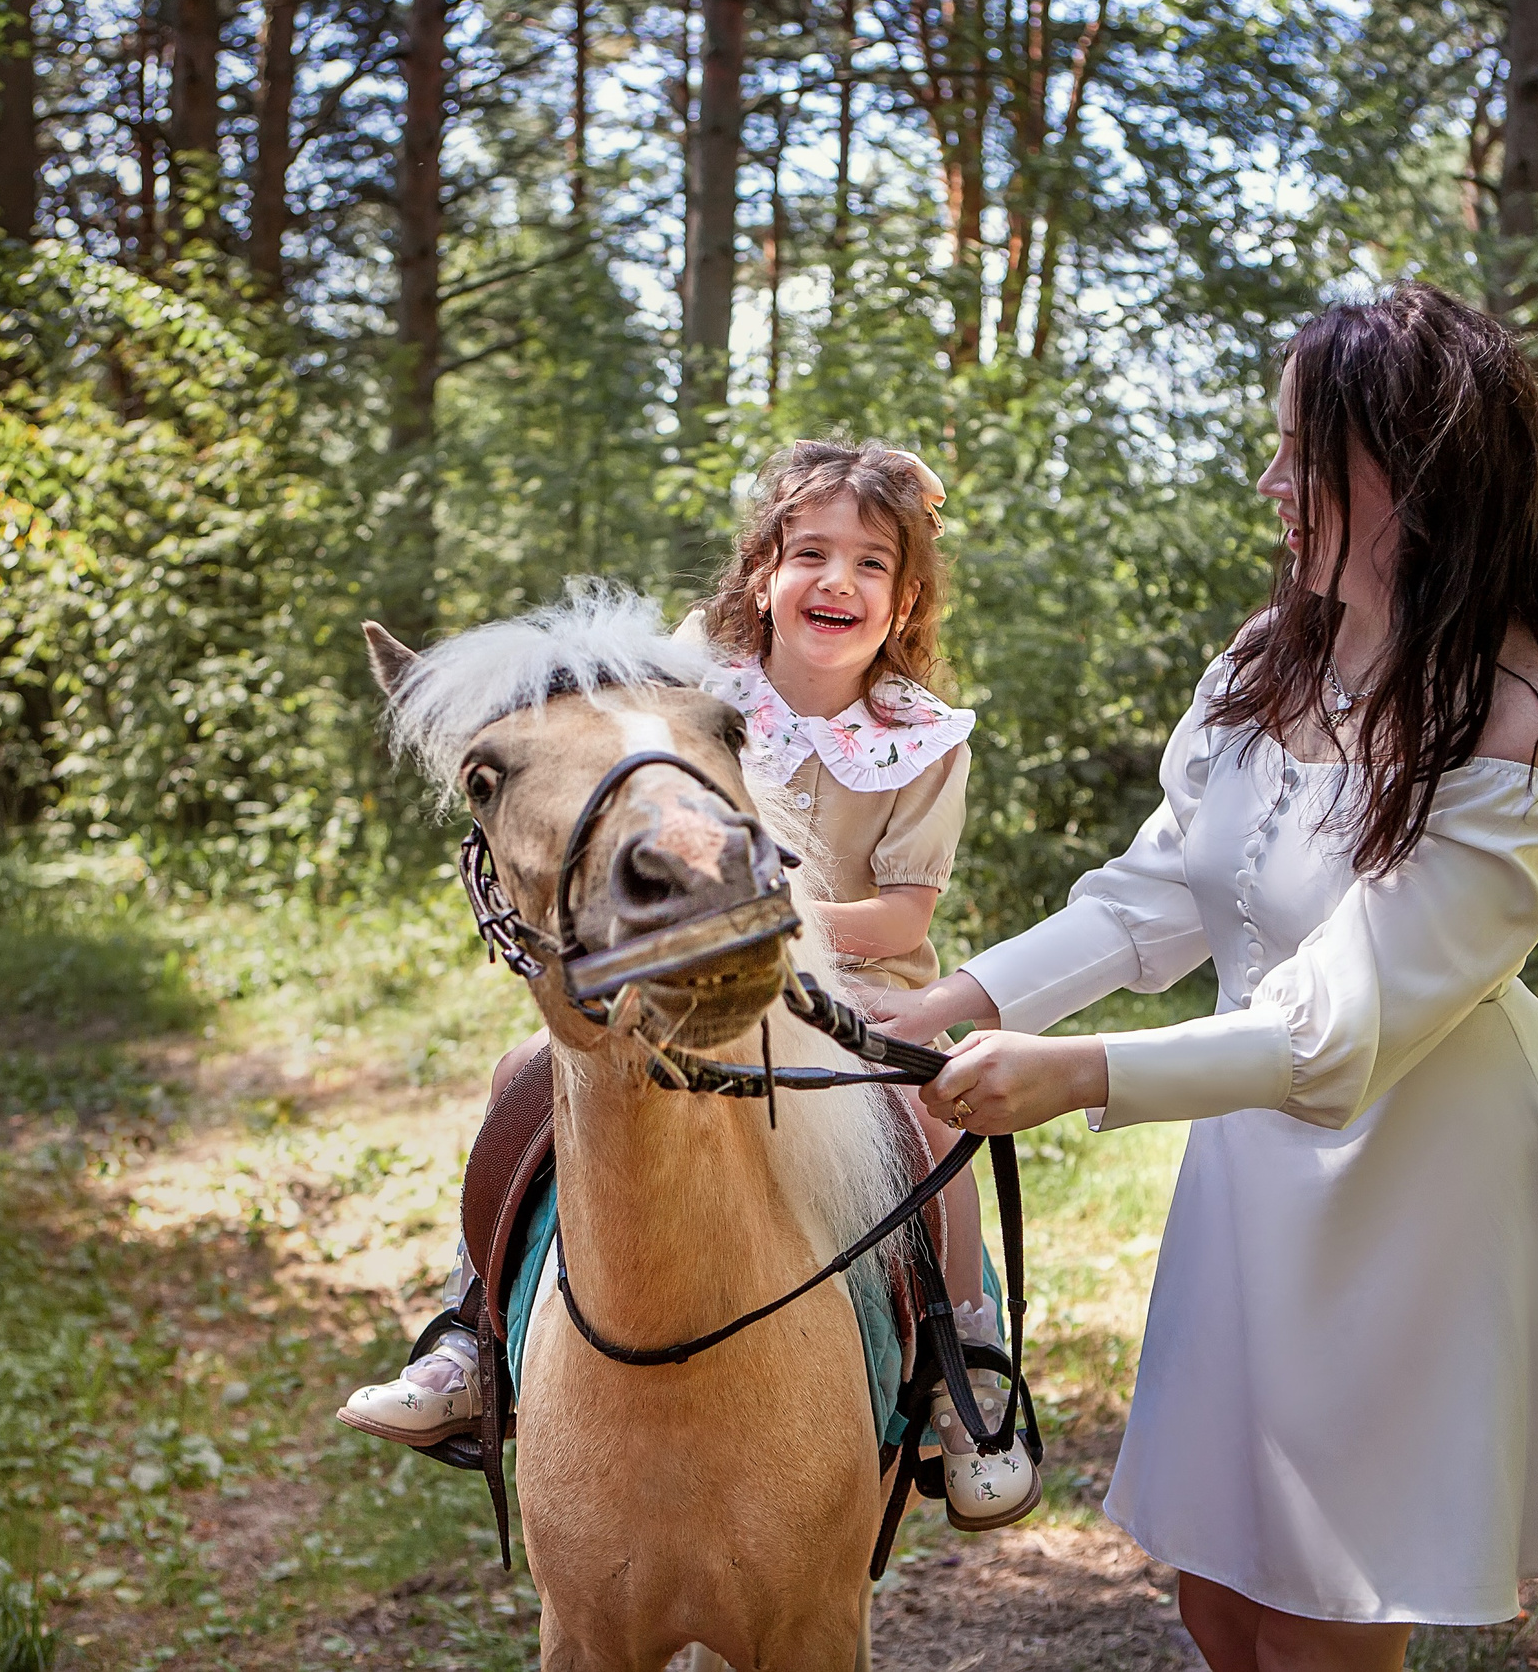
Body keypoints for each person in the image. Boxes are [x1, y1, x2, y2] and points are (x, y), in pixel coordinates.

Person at [870, 285, 1538, 1670]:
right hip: (1252, 1168)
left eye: (1303, 451)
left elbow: (1340, 1021)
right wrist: (956, 1001)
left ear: (1412, 471)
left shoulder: (1526, 722)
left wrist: (1076, 1074)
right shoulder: (1269, 653)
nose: (1270, 479)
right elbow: (1159, 891)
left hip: (1416, 1182)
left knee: (1320, 1607)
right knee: (1218, 1596)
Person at [336, 439, 1040, 1530]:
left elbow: (905, 915)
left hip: (859, 985)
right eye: (809, 553)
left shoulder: (920, 741)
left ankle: (963, 1355)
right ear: (761, 572)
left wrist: (778, 926)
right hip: (680, 963)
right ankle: (469, 1327)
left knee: (931, 1111)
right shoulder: (693, 682)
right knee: (525, 1068)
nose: (835, 581)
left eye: (869, 564)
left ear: (903, 602)